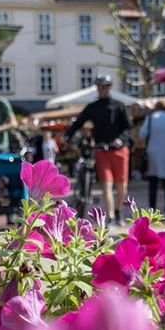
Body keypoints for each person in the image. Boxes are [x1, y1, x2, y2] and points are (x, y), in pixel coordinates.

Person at [66, 75, 133, 224]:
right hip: (102, 149)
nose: (102, 89)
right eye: (100, 87)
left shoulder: (119, 106)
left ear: (110, 88)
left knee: (122, 185)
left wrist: (120, 140)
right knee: (106, 184)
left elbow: (128, 127)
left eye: (105, 86)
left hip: (119, 149)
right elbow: (78, 122)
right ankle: (110, 216)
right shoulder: (93, 107)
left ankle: (118, 211)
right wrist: (67, 135)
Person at [139, 99, 165, 216]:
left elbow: (143, 134)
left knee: (153, 182)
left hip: (153, 153)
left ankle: (152, 208)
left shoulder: (151, 118)